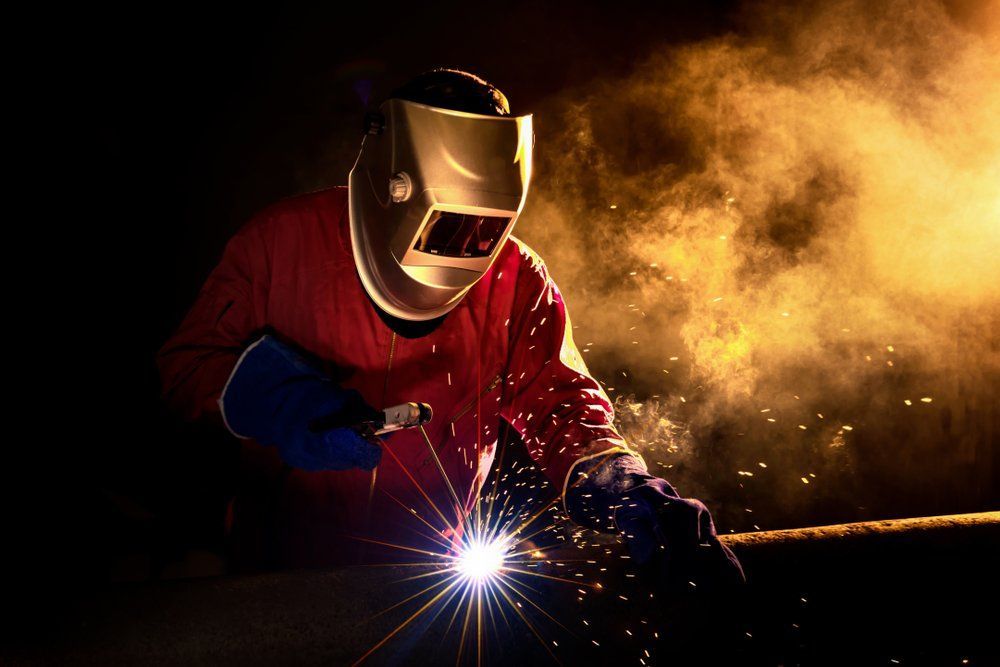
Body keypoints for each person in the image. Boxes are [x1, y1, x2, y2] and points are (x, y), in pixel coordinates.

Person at [156, 68, 743, 587]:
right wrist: (275, 399)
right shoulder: (280, 242)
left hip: (427, 579)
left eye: (483, 231)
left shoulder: (517, 277)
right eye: (447, 227)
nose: (464, 251)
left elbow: (561, 411)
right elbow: (184, 371)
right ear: (394, 188)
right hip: (276, 577)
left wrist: (622, 485)